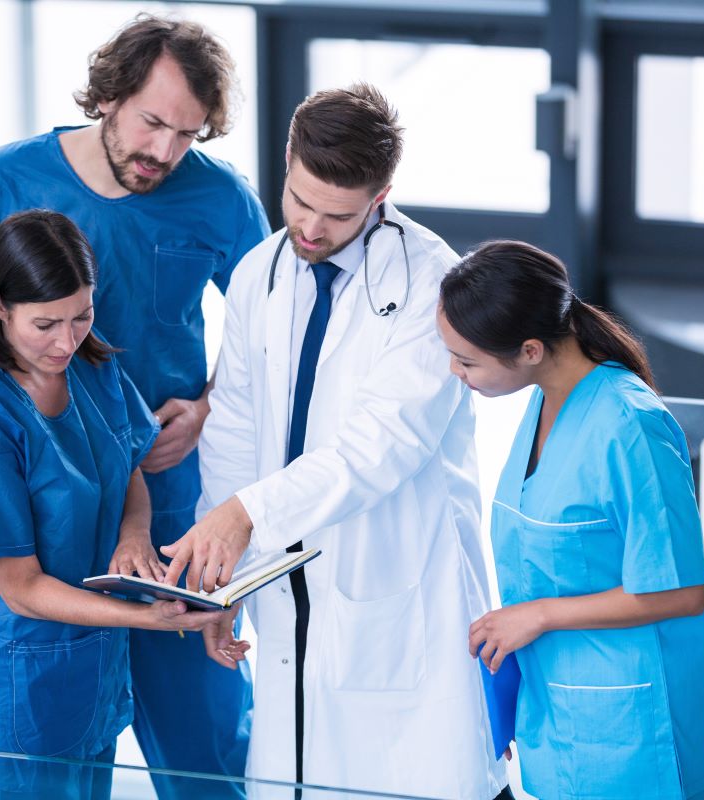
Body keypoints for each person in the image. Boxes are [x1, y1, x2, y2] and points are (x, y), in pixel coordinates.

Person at [0, 14, 268, 795]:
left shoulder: (221, 200)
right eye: (153, 123)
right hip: (34, 498)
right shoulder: (4, 179)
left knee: (203, 739)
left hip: (167, 498)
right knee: (45, 733)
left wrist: (211, 407)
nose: (164, 153)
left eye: (188, 135)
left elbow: (264, 339)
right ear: (110, 95)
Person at [161, 84, 509, 800]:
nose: (311, 228)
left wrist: (247, 516)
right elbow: (233, 429)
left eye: (338, 214)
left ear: (381, 195)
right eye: (299, 200)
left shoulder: (430, 285)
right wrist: (223, 574)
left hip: (399, 584)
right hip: (285, 589)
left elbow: (381, 446)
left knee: (417, 774)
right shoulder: (259, 273)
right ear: (286, 162)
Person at [0, 210, 237, 799]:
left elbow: (129, 466)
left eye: (81, 315)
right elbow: (21, 588)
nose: (66, 341)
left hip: (88, 677)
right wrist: (147, 617)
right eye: (46, 324)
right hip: (9, 697)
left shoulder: (90, 364)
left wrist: (134, 536)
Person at [436, 240, 704, 800]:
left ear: (531, 348)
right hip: (559, 715)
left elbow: (682, 592)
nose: (455, 372)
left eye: (467, 360)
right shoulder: (544, 400)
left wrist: (536, 616)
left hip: (633, 731)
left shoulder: (631, 426)